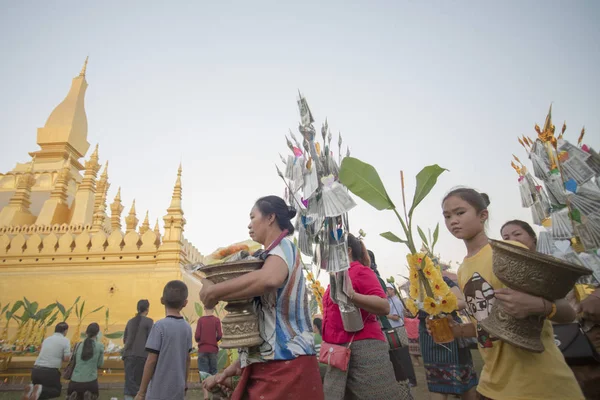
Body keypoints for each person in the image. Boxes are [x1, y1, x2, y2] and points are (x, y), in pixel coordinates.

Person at [442, 187, 583, 399]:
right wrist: (457, 330)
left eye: (460, 212)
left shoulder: (509, 251)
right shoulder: (462, 270)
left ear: (483, 215)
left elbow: (567, 313)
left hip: (539, 383)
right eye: (447, 216)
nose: (453, 220)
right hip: (492, 385)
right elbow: (488, 323)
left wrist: (540, 306)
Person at [199, 195, 322, 400]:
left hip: (289, 365)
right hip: (269, 365)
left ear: (270, 217)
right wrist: (232, 368)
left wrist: (215, 291)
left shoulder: (284, 248)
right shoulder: (266, 256)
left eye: (253, 216)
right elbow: (268, 329)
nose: (249, 224)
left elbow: (269, 279)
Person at [502, 219, 600, 398]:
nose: (511, 240)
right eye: (505, 237)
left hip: (578, 334)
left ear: (532, 238)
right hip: (539, 346)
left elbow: (571, 307)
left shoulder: (555, 263)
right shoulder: (507, 275)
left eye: (517, 234)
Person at [322, 233, 412, 400]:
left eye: (330, 250)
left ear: (347, 251)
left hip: (364, 349)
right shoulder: (337, 276)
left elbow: (384, 306)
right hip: (338, 351)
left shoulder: (361, 271)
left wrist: (352, 296)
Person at [419, 274, 478, 400]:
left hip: (451, 328)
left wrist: (441, 306)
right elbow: (415, 307)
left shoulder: (443, 280)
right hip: (430, 333)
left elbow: (462, 302)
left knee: (466, 381)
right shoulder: (417, 286)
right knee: (438, 384)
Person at [135, 280, 192, 400]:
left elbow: (151, 361)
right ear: (185, 303)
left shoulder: (159, 326)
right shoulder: (187, 328)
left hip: (158, 391)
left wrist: (141, 392)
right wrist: (185, 382)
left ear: (162, 300)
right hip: (178, 390)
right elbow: (187, 359)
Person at [385, 282, 418, 387]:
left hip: (398, 329)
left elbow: (396, 317)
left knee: (404, 356)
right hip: (393, 330)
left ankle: (412, 379)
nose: (386, 291)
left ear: (392, 290)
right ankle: (405, 379)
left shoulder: (396, 301)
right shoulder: (390, 301)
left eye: (388, 289)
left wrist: (383, 314)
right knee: (398, 357)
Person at [31, 322, 70, 400]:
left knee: (39, 396)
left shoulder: (47, 339)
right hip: (50, 372)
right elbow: (66, 359)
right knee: (56, 391)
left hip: (35, 370)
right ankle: (39, 389)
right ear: (65, 331)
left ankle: (32, 389)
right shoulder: (65, 340)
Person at [123, 300, 153, 400]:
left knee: (129, 386)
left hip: (127, 355)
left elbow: (125, 339)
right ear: (147, 309)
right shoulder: (149, 322)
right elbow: (151, 340)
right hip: (142, 356)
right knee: (141, 386)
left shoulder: (130, 321)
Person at [67, 323, 104, 400]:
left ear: (86, 332)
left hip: (74, 382)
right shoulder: (100, 346)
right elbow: (100, 364)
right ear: (97, 333)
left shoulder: (78, 345)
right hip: (90, 383)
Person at [195, 307, 222, 399]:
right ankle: (215, 394)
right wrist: (214, 340)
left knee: (203, 372)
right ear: (214, 308)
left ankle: (206, 395)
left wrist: (200, 340)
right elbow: (220, 335)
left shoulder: (200, 320)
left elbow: (197, 336)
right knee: (214, 371)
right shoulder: (216, 320)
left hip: (202, 349)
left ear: (204, 308)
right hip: (213, 349)